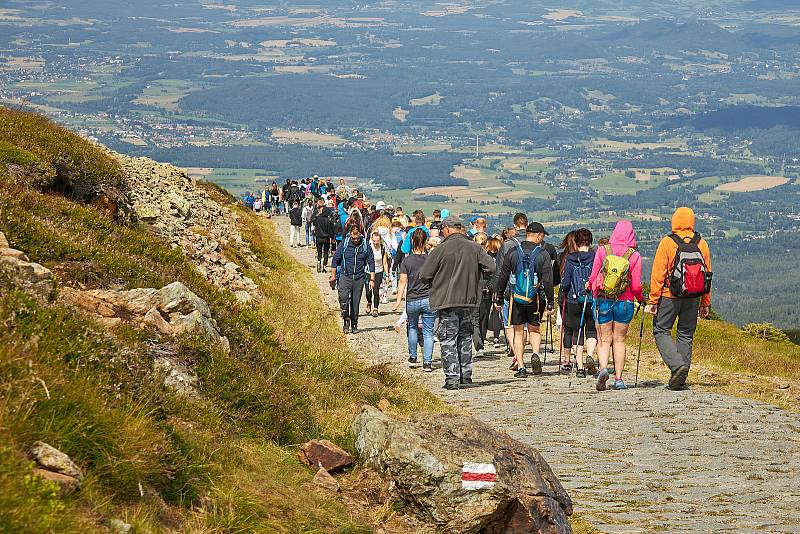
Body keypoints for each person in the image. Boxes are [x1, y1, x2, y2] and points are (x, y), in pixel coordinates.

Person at [418, 216, 495, 390]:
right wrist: (478, 279)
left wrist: (436, 281)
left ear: (446, 229)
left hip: (447, 301)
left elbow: (424, 275)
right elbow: (491, 267)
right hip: (470, 300)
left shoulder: (440, 250)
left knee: (448, 338)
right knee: (465, 337)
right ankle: (466, 375)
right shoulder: (475, 247)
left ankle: (452, 378)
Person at [647, 207, 713, 391]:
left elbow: (658, 273)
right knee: (685, 334)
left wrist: (653, 300)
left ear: (674, 221)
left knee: (661, 330)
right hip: (694, 297)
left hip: (670, 294)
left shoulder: (668, 242)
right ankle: (680, 378)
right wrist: (705, 303)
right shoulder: (702, 243)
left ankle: (677, 367)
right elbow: (707, 275)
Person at [588, 220, 644, 391]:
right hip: (625, 302)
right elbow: (636, 286)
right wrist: (641, 299)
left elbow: (593, 277)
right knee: (619, 340)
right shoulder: (634, 256)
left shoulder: (603, 250)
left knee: (604, 340)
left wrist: (593, 289)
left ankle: (603, 369)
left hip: (604, 299)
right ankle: (619, 379)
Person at [494, 222, 554, 379]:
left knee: (518, 332)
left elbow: (503, 276)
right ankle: (535, 353)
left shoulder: (513, 252)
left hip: (517, 298)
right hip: (536, 299)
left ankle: (521, 366)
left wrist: (499, 296)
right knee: (534, 330)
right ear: (538, 235)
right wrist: (550, 302)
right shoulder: (543, 254)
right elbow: (548, 280)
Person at [393, 228, 437, 372]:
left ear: (411, 241)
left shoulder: (407, 261)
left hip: (412, 299)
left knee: (412, 327)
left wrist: (398, 301)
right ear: (425, 242)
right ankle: (427, 362)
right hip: (428, 299)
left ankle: (413, 357)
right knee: (428, 332)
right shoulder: (430, 259)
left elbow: (402, 282)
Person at [560, 228, 598, 378]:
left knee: (577, 332)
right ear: (590, 241)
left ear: (576, 241)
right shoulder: (595, 257)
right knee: (591, 330)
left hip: (573, 299)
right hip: (592, 299)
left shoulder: (570, 258)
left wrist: (564, 293)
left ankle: (580, 367)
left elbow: (566, 282)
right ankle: (590, 355)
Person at [495, 212, 529, 364]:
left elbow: (500, 271)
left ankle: (517, 355)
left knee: (509, 325)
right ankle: (522, 352)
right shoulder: (535, 244)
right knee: (526, 325)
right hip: (529, 289)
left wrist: (497, 293)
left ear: (515, 226)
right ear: (527, 225)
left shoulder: (507, 244)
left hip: (510, 289)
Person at [330, 226, 376, 334]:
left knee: (355, 302)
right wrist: (333, 276)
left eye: (357, 238)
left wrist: (372, 279)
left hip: (359, 278)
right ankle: (346, 321)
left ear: (360, 235)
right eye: (353, 238)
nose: (355, 240)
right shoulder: (344, 244)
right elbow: (335, 260)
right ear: (350, 235)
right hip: (345, 276)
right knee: (343, 298)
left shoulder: (365, 245)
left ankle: (354, 323)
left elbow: (371, 262)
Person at [557, 231, 578, 373]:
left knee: (567, 328)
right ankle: (579, 358)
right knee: (579, 328)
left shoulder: (561, 257)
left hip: (564, 295)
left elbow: (555, 279)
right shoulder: (586, 257)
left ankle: (566, 360)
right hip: (581, 295)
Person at [472, 232, 494, 357]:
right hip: (485, 289)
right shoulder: (488, 257)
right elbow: (493, 270)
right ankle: (481, 343)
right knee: (483, 318)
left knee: (475, 319)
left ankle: (479, 345)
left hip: (474, 289)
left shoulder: (470, 256)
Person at [365, 231, 390, 317]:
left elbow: (385, 263)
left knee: (376, 291)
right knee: (368, 291)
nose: (375, 243)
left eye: (377, 241)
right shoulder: (368, 247)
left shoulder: (383, 248)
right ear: (372, 240)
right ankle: (369, 302)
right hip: (368, 271)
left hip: (379, 271)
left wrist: (387, 275)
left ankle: (375, 308)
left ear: (380, 241)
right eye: (374, 241)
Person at [312, 198, 336, 272]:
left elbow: (314, 224)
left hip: (318, 237)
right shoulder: (329, 221)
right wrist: (332, 238)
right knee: (326, 252)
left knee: (319, 251)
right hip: (326, 238)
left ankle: (319, 261)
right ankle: (324, 266)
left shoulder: (317, 218)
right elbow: (330, 231)